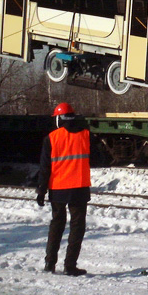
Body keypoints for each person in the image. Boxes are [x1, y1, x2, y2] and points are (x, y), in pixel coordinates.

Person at [36, 102, 91, 276]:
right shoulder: (86, 135)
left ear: (59, 119)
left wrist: (41, 190)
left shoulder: (51, 138)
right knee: (77, 227)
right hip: (79, 188)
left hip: (58, 188)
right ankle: (70, 266)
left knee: (56, 225)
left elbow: (45, 168)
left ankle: (49, 264)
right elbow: (97, 157)